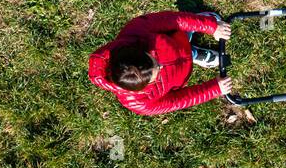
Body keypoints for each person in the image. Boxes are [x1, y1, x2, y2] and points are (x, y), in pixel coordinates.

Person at [88, 11, 233, 115]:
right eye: (155, 74)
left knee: (184, 28)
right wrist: (215, 89)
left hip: (176, 40)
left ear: (138, 50)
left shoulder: (135, 31)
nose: (161, 66)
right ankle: (193, 54)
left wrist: (210, 26)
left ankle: (191, 34)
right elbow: (179, 100)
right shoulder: (139, 103)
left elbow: (174, 20)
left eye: (154, 60)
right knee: (185, 59)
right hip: (180, 74)